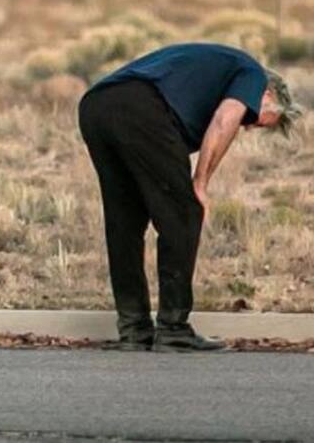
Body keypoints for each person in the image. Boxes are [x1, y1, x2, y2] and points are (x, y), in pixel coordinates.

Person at [78, 42, 301, 352]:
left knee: (125, 223)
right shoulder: (252, 74)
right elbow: (225, 120)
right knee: (185, 213)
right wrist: (200, 184)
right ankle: (173, 329)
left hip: (96, 106)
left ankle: (134, 330)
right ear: (268, 95)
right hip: (140, 107)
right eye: (255, 120)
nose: (248, 127)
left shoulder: (214, 72)